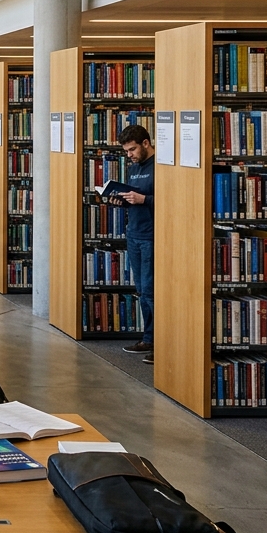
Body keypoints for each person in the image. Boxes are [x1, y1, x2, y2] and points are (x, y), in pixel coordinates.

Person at [117, 124, 156, 363]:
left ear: (145, 143)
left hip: (151, 235)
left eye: (132, 149)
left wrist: (144, 199)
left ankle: (160, 343)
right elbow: (134, 197)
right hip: (134, 233)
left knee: (151, 291)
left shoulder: (160, 167)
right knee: (142, 291)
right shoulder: (134, 168)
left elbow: (174, 198)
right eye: (126, 151)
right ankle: (148, 338)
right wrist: (122, 200)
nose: (129, 155)